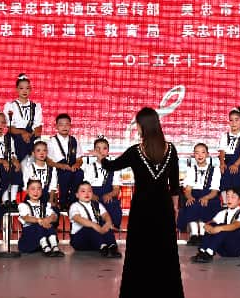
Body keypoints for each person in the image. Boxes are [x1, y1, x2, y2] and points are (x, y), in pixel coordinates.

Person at [101, 107, 183, 298]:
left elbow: (112, 166)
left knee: (139, 251)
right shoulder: (171, 149)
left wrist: (101, 158)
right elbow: (174, 185)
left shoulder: (135, 152)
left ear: (142, 126)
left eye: (137, 124)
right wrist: (175, 207)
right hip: (164, 207)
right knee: (165, 251)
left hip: (142, 208)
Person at [178, 143, 221, 245]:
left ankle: (202, 233)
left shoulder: (215, 170)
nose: (200, 155)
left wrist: (206, 197)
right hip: (194, 194)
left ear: (207, 154)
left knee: (203, 205)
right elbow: (188, 189)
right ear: (194, 155)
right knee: (191, 204)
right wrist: (189, 197)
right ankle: (194, 234)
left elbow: (214, 191)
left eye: (203, 152)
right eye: (197, 153)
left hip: (209, 195)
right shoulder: (191, 169)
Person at [191, 186, 240, 263]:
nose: (229, 199)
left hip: (236, 249)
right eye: (227, 196)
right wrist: (209, 227)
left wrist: (219, 228)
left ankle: (209, 253)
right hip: (222, 250)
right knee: (213, 226)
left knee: (223, 227)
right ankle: (202, 251)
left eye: (233, 197)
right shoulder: (222, 213)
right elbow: (210, 223)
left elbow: (235, 225)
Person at [68, 182, 121, 257]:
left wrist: (108, 223)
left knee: (105, 225)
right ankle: (103, 247)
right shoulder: (74, 206)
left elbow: (105, 215)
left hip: (95, 239)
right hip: (80, 240)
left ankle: (112, 246)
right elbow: (78, 218)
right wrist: (94, 225)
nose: (87, 193)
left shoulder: (97, 204)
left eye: (89, 191)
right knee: (89, 227)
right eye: (83, 191)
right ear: (77, 195)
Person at [82, 137, 123, 229]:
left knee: (111, 203)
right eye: (98, 148)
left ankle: (111, 224)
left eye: (104, 148)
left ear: (108, 151)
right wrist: (91, 195)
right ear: (94, 150)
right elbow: (85, 187)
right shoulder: (88, 167)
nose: (101, 151)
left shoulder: (114, 167)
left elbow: (116, 189)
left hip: (107, 195)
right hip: (93, 194)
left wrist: (110, 195)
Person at [46, 113, 84, 209]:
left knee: (79, 173)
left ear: (70, 126)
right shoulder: (51, 141)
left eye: (67, 124)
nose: (64, 127)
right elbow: (48, 161)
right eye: (61, 124)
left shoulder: (74, 140)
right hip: (58, 168)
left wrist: (76, 165)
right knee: (66, 174)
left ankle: (72, 201)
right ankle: (63, 201)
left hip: (72, 167)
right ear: (56, 126)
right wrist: (61, 166)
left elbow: (79, 159)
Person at [3, 73, 43, 162]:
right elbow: (10, 127)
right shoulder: (10, 106)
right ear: (16, 89)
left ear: (30, 89)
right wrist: (23, 133)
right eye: (21, 88)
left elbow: (38, 127)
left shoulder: (36, 107)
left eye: (27, 88)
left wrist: (30, 135)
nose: (24, 91)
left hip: (31, 136)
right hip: (15, 136)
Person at [17, 179, 62, 256]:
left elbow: (54, 216)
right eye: (33, 189)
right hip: (29, 237)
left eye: (39, 189)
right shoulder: (23, 205)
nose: (36, 192)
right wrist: (40, 221)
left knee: (50, 225)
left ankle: (54, 246)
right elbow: (26, 218)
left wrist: (49, 219)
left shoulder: (45, 205)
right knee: (37, 226)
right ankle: (45, 247)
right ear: (27, 191)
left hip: (43, 232)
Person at [218, 107, 240, 192]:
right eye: (231, 120)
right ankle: (225, 199)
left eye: (236, 120)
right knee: (223, 176)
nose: (234, 123)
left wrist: (236, 165)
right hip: (227, 162)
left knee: (238, 177)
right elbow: (222, 151)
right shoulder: (224, 136)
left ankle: (239, 197)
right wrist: (222, 163)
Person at [22, 141, 59, 205]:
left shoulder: (52, 169)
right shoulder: (28, 168)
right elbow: (26, 186)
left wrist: (50, 201)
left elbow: (53, 186)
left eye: (44, 150)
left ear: (47, 153)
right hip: (32, 197)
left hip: (46, 196)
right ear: (33, 153)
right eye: (38, 150)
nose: (42, 153)